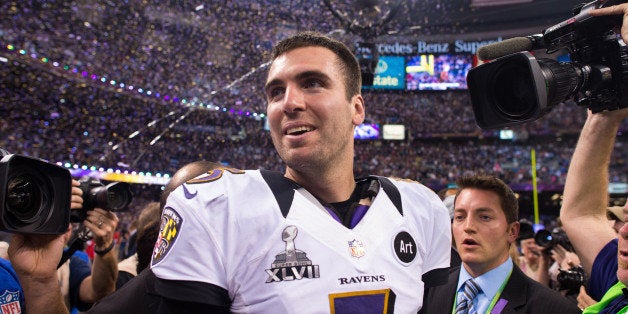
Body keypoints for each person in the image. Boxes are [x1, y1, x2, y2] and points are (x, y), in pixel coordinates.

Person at [90, 31, 452, 313]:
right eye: (275, 92)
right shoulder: (216, 208)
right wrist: (42, 282)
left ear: (357, 108)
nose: (289, 103)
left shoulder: (420, 209)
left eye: (312, 82)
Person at [420, 175, 580, 314]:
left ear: (512, 231)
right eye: (460, 217)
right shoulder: (425, 291)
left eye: (484, 217)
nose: (468, 226)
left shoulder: (554, 309)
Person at [7, 178, 119, 313]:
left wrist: (105, 245)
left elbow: (99, 292)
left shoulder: (73, 261)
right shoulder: (5, 255)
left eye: (67, 222)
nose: (64, 229)